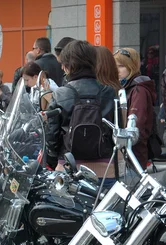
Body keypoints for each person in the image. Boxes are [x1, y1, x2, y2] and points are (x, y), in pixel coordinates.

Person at [45, 40, 116, 179]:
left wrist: (54, 160)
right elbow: (116, 129)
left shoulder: (60, 94)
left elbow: (52, 134)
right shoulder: (108, 92)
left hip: (69, 167)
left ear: (66, 66)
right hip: (105, 168)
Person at [114, 47, 157, 168]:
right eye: (115, 66)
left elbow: (136, 126)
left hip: (134, 154)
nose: (117, 70)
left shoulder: (139, 90)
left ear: (131, 66)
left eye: (121, 66)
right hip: (129, 153)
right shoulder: (128, 87)